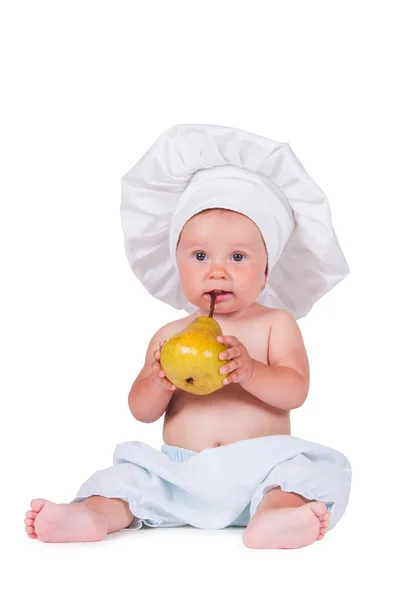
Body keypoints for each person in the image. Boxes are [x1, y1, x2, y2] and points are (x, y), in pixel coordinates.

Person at [24, 124, 352, 549]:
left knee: (311, 472)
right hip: (179, 474)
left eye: (238, 256)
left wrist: (249, 370)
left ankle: (274, 515)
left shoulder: (275, 324)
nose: (217, 270)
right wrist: (157, 382)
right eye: (199, 256)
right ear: (177, 264)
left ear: (267, 269)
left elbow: (295, 391)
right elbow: (141, 412)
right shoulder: (171, 334)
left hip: (261, 467)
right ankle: (92, 515)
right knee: (129, 478)